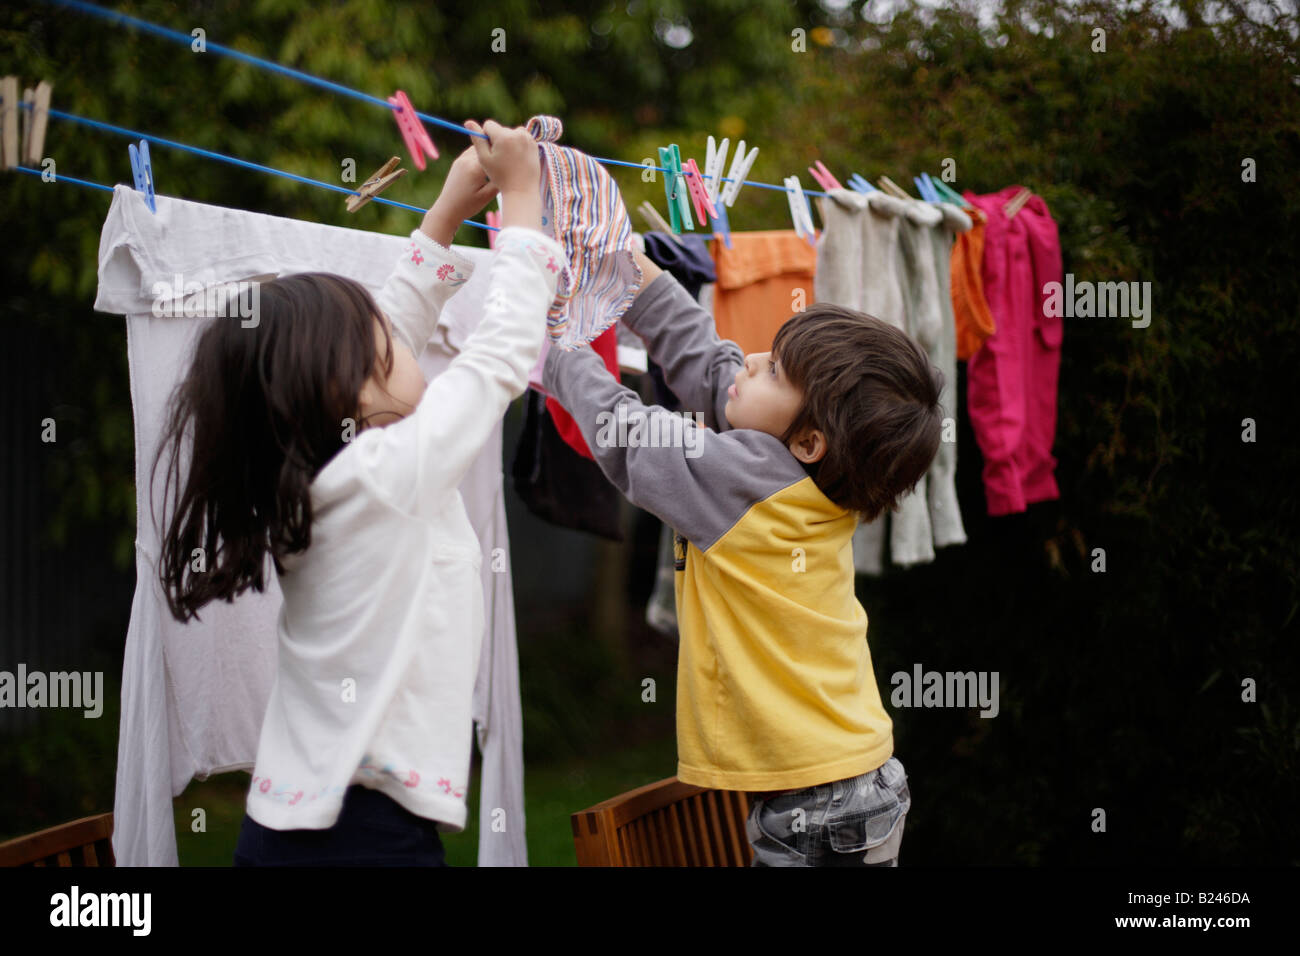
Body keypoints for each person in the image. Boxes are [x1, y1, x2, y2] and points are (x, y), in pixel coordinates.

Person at [152, 119, 560, 865]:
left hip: (299, 822)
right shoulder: (382, 477)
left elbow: (391, 321)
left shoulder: (329, 472)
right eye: (388, 346)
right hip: (360, 833)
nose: (410, 347)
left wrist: (446, 214)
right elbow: (498, 360)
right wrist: (525, 208)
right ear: (354, 386)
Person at [542, 249, 942, 866]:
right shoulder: (793, 479)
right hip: (847, 784)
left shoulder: (749, 484)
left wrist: (554, 342)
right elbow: (712, 365)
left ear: (810, 441)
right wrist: (626, 265)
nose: (751, 360)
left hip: (821, 805)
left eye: (776, 371)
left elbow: (630, 433)